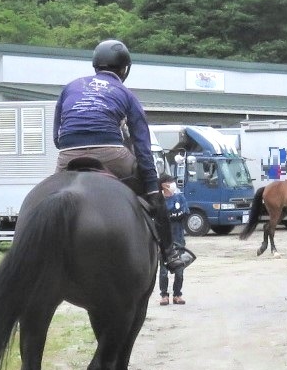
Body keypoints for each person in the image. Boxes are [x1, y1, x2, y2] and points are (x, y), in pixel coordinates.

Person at [53, 39, 195, 271]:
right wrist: (151, 185)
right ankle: (170, 254)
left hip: (68, 154)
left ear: (95, 65)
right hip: (112, 153)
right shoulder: (126, 94)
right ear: (124, 69)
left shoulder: (69, 87)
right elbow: (142, 145)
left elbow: (57, 137)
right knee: (154, 197)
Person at [157, 174, 188, 305]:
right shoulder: (158, 200)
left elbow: (184, 212)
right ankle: (164, 295)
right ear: (163, 185)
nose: (172, 184)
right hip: (163, 241)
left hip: (178, 239)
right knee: (163, 271)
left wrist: (171, 215)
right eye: (169, 182)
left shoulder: (180, 198)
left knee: (179, 270)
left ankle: (177, 294)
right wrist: (173, 215)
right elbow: (158, 217)